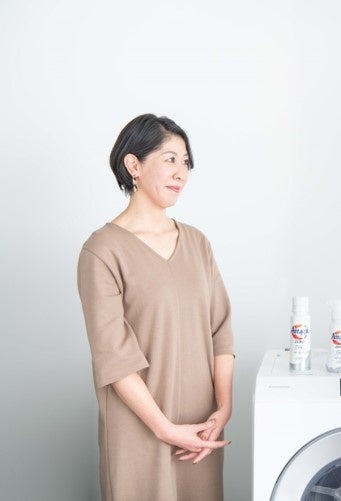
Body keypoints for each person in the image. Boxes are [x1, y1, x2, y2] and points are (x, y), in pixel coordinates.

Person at [77, 114, 235, 500]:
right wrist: (165, 429)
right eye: (169, 159)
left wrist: (224, 407)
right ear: (134, 165)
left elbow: (221, 331)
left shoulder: (197, 243)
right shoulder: (102, 251)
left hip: (200, 428)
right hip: (139, 431)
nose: (181, 172)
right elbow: (113, 356)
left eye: (186, 162)